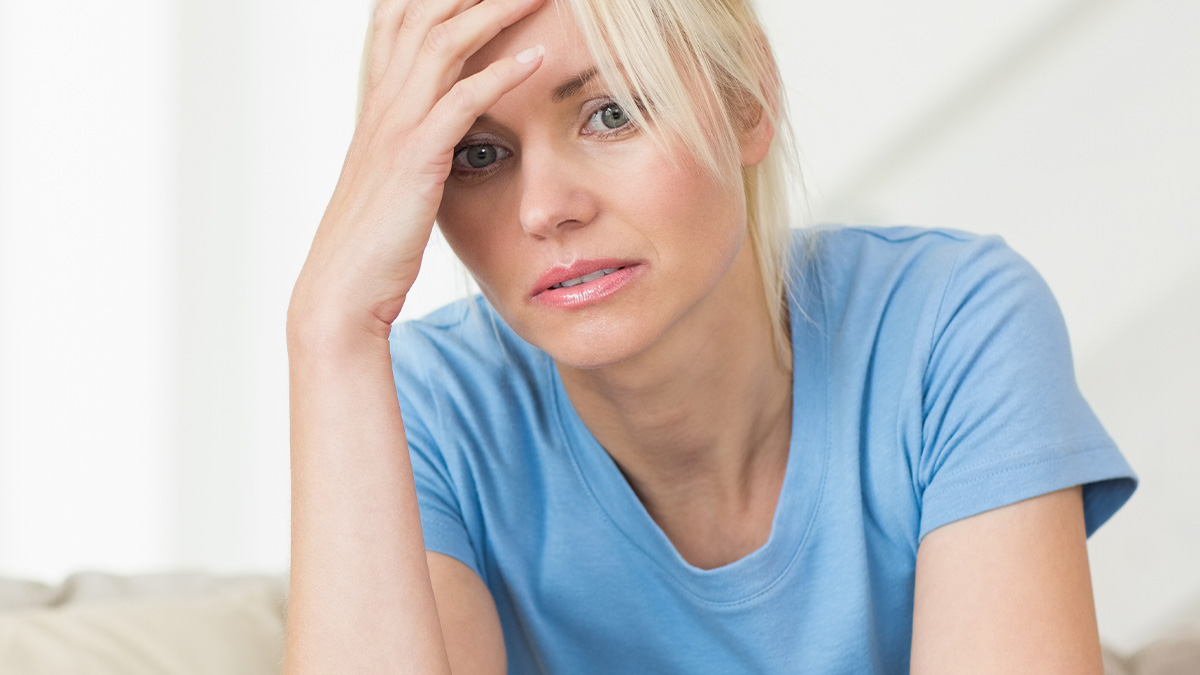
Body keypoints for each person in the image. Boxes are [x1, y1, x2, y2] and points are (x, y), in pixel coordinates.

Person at [284, 0, 1137, 672]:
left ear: (748, 101)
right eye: (476, 155)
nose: (545, 209)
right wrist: (330, 330)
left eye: (610, 113)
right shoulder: (429, 407)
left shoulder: (950, 324)